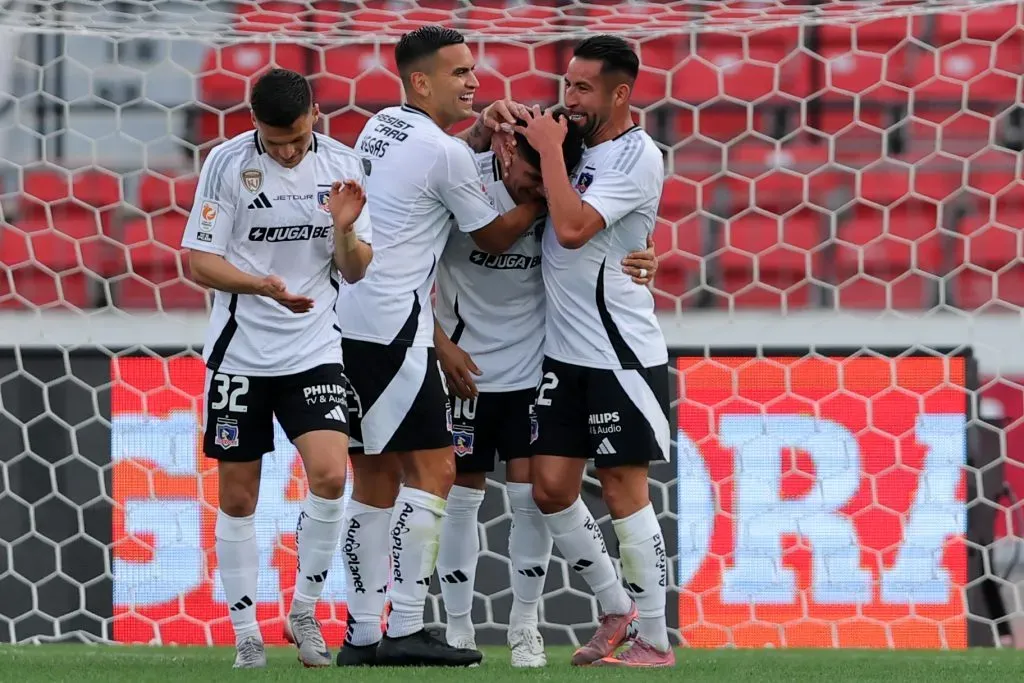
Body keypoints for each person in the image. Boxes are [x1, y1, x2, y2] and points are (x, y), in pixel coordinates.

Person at [334, 25, 541, 668]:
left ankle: (363, 634)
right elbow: (492, 239)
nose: (475, 82)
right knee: (436, 473)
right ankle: (407, 626)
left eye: (473, 70)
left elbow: (434, 164)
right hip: (397, 328)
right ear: (423, 81)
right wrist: (539, 196)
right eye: (460, 73)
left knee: (372, 478)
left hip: (352, 321)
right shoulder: (443, 154)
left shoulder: (380, 125)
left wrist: (477, 133)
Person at [433, 114, 660, 668]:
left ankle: (525, 628)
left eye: (548, 181)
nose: (540, 190)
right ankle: (460, 629)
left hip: (535, 367)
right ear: (508, 152)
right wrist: (441, 345)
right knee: (460, 502)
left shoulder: (565, 197)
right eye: (531, 180)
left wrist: (646, 257)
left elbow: (613, 239)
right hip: (466, 369)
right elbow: (409, 272)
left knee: (532, 500)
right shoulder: (462, 183)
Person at [179, 69, 373, 669]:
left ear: (315, 112)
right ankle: (245, 633)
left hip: (314, 348)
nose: (285, 150)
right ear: (252, 120)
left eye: (294, 138)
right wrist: (260, 286)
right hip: (239, 354)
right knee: (238, 499)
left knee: (332, 477)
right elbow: (198, 262)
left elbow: (358, 268)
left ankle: (305, 610)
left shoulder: (343, 164)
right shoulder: (227, 163)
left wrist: (343, 227)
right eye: (273, 139)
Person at [514, 35, 675, 668]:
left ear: (620, 93)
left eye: (583, 88)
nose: (569, 98)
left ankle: (657, 639)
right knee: (549, 488)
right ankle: (615, 608)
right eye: (567, 84)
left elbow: (576, 230)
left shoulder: (637, 156)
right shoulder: (575, 144)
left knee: (623, 486)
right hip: (562, 356)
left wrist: (552, 152)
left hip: (619, 353)